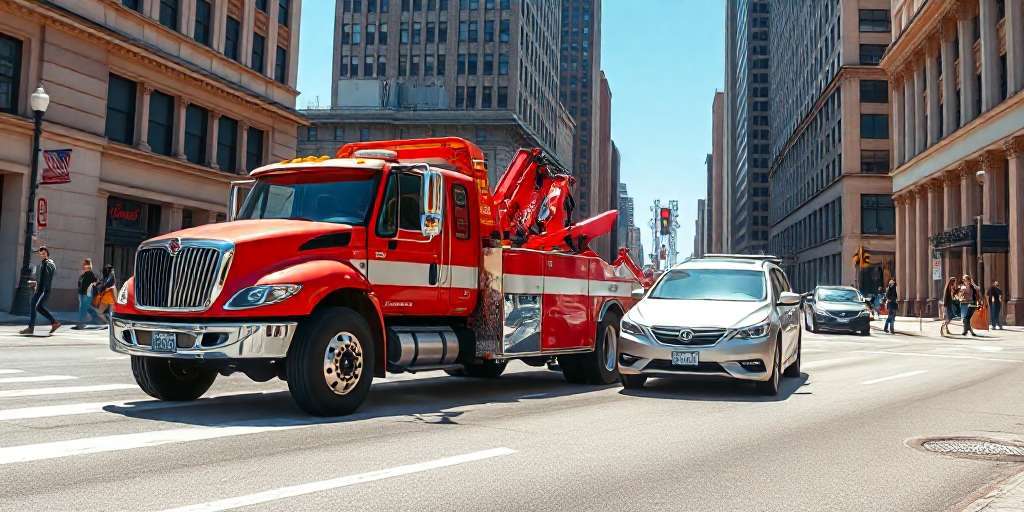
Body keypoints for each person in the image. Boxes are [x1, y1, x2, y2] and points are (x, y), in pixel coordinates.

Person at [19, 247, 60, 335]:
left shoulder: (46, 264)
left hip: (43, 290)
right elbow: (45, 277)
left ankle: (52, 323)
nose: (42, 255)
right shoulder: (50, 263)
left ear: (47, 253)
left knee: (37, 307)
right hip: (43, 289)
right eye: (41, 254)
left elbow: (46, 277)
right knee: (35, 305)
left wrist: (38, 286)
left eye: (44, 253)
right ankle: (34, 327)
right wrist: (37, 283)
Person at [74, 258, 103, 329]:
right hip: (81, 294)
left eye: (86, 265)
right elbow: (80, 284)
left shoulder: (90, 274)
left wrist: (91, 287)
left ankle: (81, 323)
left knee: (83, 309)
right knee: (86, 308)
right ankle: (98, 319)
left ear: (89, 266)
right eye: (84, 265)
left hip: (87, 294)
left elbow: (96, 282)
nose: (84, 266)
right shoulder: (83, 275)